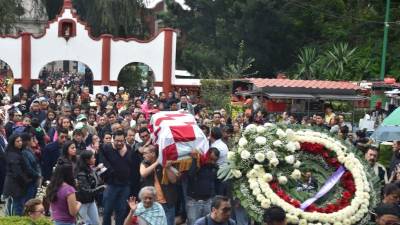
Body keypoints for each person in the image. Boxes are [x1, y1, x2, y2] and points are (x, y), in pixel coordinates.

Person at [100, 130, 140, 225]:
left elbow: (134, 167)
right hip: (111, 185)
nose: (119, 143)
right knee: (107, 211)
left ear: (125, 139)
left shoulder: (130, 149)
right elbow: (100, 162)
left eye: (121, 141)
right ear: (113, 139)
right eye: (117, 140)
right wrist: (107, 175)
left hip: (125, 186)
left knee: (121, 212)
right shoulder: (106, 148)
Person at [140, 145, 179, 225]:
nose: (143, 155)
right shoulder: (144, 163)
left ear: (153, 153)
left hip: (167, 202)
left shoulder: (166, 163)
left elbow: (173, 180)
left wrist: (167, 167)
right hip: (152, 203)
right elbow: (143, 173)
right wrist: (158, 162)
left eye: (145, 153)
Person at [187, 148, 220, 225]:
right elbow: (190, 175)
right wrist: (195, 160)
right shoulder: (198, 164)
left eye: (215, 160)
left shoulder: (215, 168)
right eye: (211, 159)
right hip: (194, 201)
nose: (212, 162)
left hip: (208, 201)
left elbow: (217, 184)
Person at [3, 134, 31, 216]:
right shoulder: (13, 155)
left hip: (15, 184)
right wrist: (26, 180)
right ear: (12, 142)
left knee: (13, 206)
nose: (20, 143)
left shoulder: (17, 152)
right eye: (17, 141)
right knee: (17, 208)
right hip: (15, 185)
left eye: (21, 141)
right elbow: (17, 173)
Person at [76, 150, 105, 225]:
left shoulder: (90, 169)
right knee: (82, 223)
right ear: (87, 160)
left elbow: (97, 182)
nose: (95, 159)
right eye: (93, 158)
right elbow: (86, 191)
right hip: (82, 202)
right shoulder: (81, 174)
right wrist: (101, 188)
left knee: (96, 222)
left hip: (91, 201)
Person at [21, 133, 42, 203]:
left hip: (34, 179)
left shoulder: (29, 150)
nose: (34, 141)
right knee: (28, 201)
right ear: (27, 141)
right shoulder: (24, 152)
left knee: (32, 199)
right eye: (32, 139)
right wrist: (38, 175)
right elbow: (28, 167)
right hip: (30, 180)